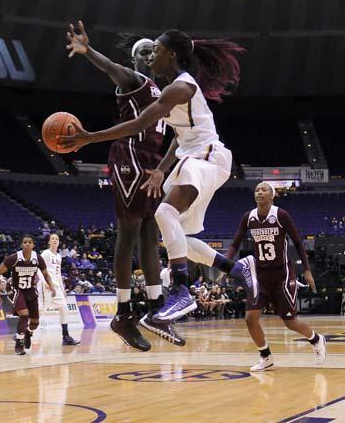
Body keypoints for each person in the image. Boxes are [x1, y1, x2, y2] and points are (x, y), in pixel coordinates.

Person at [60, 28, 259, 323]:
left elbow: (138, 123)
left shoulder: (178, 88)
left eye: (157, 49)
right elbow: (177, 135)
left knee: (164, 213)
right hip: (196, 158)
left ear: (172, 54)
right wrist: (162, 171)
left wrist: (89, 137)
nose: (153, 55)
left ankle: (181, 292)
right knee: (179, 237)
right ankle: (237, 268)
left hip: (207, 156)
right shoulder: (174, 89)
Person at [66, 22, 183, 349]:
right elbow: (111, 68)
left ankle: (156, 309)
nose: (148, 56)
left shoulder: (166, 94)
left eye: (152, 51)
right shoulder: (133, 81)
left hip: (151, 162)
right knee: (129, 232)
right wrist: (88, 51)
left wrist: (163, 168)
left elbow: (177, 138)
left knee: (150, 235)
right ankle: (123, 312)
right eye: (142, 52)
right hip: (128, 155)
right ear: (135, 59)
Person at [226, 182, 327, 371]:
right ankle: (266, 356)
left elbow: (297, 242)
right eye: (256, 190)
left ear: (272, 195)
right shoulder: (249, 217)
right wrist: (224, 264)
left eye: (264, 190)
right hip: (260, 274)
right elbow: (235, 243)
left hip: (282, 274)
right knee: (250, 318)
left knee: (289, 322)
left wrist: (306, 269)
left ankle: (316, 339)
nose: (259, 192)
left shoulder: (281, 215)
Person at [0, 235, 55, 356]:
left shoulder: (37, 258)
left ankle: (28, 332)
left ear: (33, 245)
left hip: (30, 290)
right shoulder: (14, 257)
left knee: (35, 323)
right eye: (25, 242)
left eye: (30, 242)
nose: (27, 244)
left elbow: (46, 274)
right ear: (22, 245)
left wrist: (52, 286)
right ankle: (19, 342)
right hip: (16, 289)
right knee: (24, 315)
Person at [39, 234, 80, 346]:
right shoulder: (45, 253)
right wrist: (45, 282)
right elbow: (38, 269)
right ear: (49, 242)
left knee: (64, 308)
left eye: (57, 239)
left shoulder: (58, 256)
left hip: (56, 286)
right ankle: (22, 333)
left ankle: (65, 336)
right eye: (52, 239)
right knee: (40, 310)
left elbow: (58, 274)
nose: (55, 240)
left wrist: (63, 289)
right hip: (47, 286)